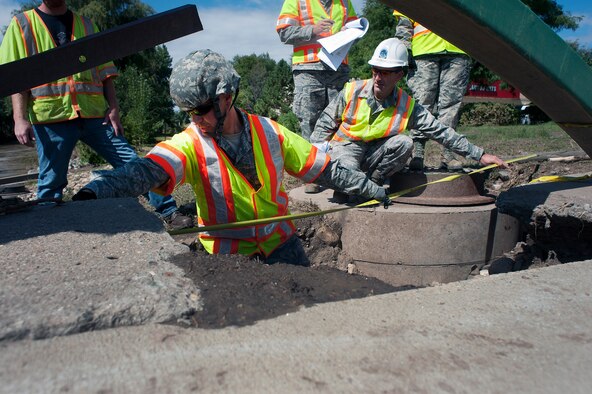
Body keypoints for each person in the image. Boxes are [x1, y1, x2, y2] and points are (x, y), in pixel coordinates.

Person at [72, 49, 389, 266]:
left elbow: (324, 170)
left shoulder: (271, 132)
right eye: (188, 112)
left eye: (201, 110)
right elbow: (144, 172)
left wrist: (369, 188)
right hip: (229, 258)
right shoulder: (189, 144)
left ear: (226, 96)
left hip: (282, 246)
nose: (195, 119)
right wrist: (95, 191)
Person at [0, 0, 192, 230]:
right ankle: (49, 229)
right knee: (51, 182)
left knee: (132, 162)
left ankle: (169, 211)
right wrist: (19, 118)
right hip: (51, 117)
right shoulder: (21, 24)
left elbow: (105, 72)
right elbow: (15, 77)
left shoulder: (86, 24)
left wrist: (113, 108)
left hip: (95, 114)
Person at [310, 38, 506, 202]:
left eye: (385, 72)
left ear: (399, 74)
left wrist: (479, 155)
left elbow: (440, 131)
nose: (378, 77)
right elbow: (324, 123)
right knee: (346, 182)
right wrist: (314, 161)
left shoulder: (407, 105)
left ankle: (372, 181)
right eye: (375, 70)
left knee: (405, 143)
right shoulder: (352, 90)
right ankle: (351, 183)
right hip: (346, 148)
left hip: (375, 152)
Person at [276, 0, 358, 193]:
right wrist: (312, 30)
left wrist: (351, 32)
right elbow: (284, 33)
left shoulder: (344, 3)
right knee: (310, 121)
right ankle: (313, 174)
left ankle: (340, 174)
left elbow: (355, 28)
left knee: (340, 121)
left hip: (338, 67)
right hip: (308, 68)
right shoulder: (297, 1)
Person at [393, 10, 472, 171]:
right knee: (422, 104)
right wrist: (404, 49)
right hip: (423, 50)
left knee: (451, 106)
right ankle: (417, 153)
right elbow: (404, 21)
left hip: (458, 49)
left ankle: (448, 154)